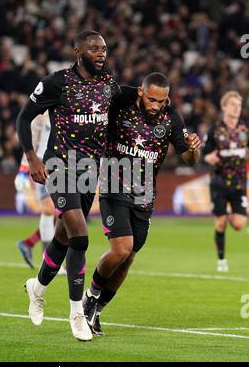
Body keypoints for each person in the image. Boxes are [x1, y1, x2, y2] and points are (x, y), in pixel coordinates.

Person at [16, 30, 122, 341]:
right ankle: (77, 312)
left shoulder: (109, 85)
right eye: (93, 48)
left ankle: (38, 286)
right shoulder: (55, 82)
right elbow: (24, 118)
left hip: (90, 171)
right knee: (79, 233)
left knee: (63, 237)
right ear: (77, 50)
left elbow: (123, 110)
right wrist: (32, 158)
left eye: (104, 48)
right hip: (59, 165)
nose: (101, 53)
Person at [83, 72, 202, 335]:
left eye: (161, 101)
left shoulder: (171, 119)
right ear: (140, 92)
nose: (155, 106)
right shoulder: (120, 107)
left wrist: (194, 148)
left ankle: (97, 311)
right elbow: (103, 95)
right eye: (151, 99)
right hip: (114, 186)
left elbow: (190, 159)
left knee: (129, 257)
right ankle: (89, 299)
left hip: (144, 194)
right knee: (121, 249)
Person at [15, 112, 66, 274]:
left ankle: (30, 244)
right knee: (49, 210)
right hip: (44, 165)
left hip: (65, 165)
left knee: (64, 214)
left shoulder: (68, 108)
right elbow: (32, 142)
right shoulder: (40, 114)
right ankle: (49, 259)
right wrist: (23, 170)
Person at [203, 91, 248, 272]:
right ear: (224, 107)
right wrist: (208, 158)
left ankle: (230, 215)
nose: (237, 108)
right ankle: (221, 260)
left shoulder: (245, 129)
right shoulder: (215, 129)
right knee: (220, 222)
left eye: (239, 105)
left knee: (238, 225)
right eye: (233, 105)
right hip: (219, 182)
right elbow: (203, 155)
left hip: (238, 182)